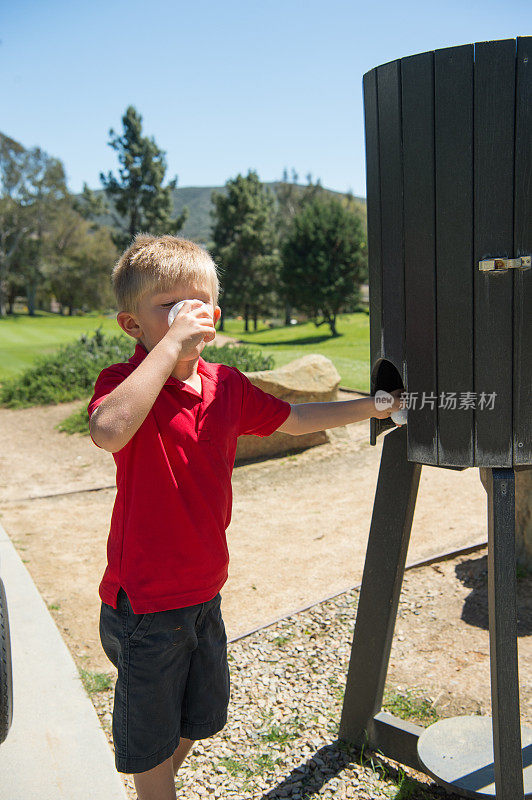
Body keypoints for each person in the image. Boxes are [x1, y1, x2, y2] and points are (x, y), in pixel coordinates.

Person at [89, 233, 402, 800]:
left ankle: (159, 781)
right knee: (153, 745)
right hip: (147, 606)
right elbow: (109, 431)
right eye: (169, 307)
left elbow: (297, 417)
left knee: (202, 717)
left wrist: (375, 406)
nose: (188, 317)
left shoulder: (226, 386)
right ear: (132, 325)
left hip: (205, 591)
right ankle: (154, 789)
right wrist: (169, 349)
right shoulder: (122, 384)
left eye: (199, 305)